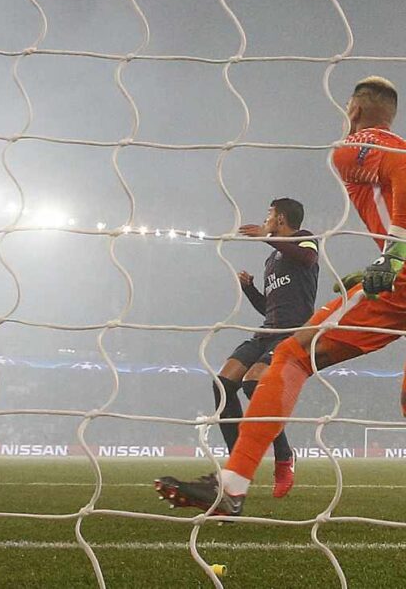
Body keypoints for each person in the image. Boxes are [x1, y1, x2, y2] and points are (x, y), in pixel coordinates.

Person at [154, 75, 403, 515]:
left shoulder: (356, 147)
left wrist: (395, 254)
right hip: (364, 291)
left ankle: (236, 482)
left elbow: (401, 167)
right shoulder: (274, 260)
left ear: (354, 109)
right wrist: (378, 262)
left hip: (395, 286)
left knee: (292, 356)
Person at [213, 199, 319, 497]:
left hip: (293, 333)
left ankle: (284, 457)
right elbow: (269, 308)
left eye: (269, 214)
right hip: (267, 330)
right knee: (222, 384)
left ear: (281, 218)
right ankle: (237, 463)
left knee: (254, 384)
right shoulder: (272, 259)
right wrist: (249, 289)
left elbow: (308, 259)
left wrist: (265, 236)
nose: (265, 219)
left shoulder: (305, 239)